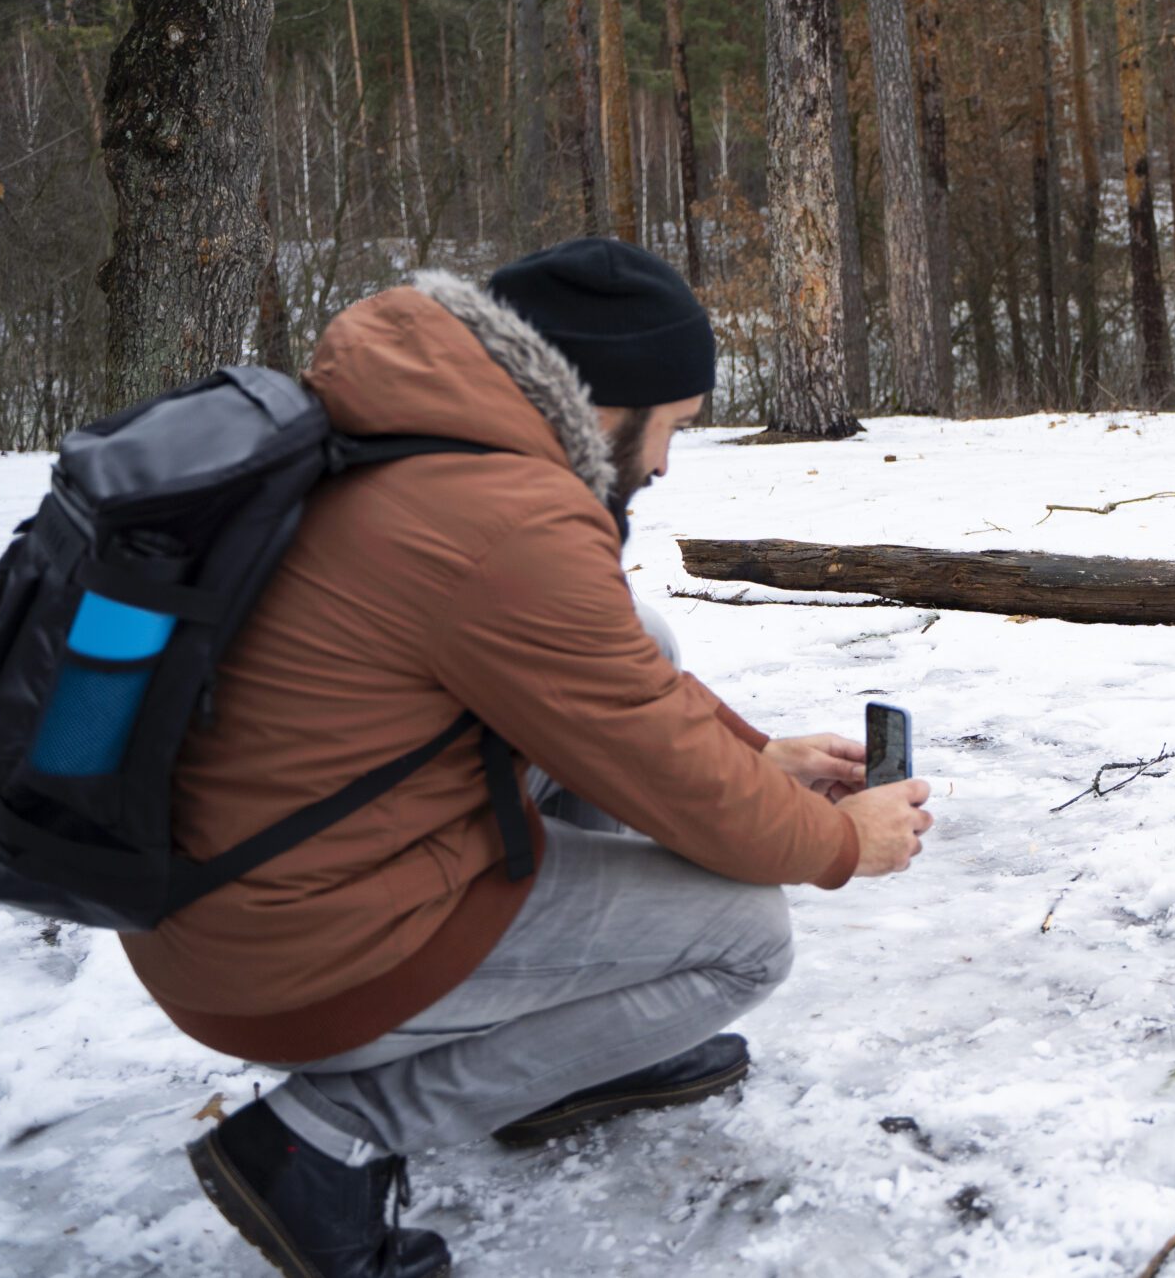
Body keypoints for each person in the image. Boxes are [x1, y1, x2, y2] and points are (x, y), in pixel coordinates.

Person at [141, 238, 935, 1278]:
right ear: (608, 406)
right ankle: (321, 1139)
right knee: (746, 937)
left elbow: (613, 686)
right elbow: (673, 779)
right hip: (295, 955)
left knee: (641, 630)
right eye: (673, 429)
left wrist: (760, 755)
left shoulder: (407, 438)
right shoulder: (503, 523)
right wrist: (838, 841)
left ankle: (558, 1064)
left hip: (231, 891)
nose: (661, 464)